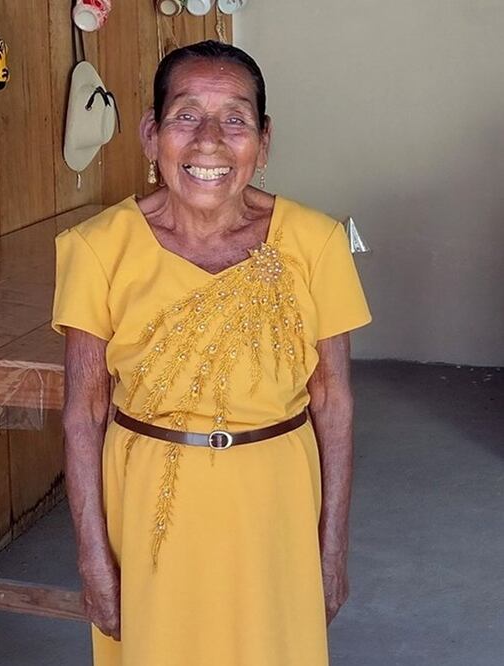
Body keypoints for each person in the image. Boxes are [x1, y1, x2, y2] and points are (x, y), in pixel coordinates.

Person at [52, 40, 370, 665]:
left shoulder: (316, 241)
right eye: (186, 115)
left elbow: (333, 403)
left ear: (264, 139)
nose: (209, 142)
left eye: (235, 119)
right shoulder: (95, 248)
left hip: (275, 498)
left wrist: (332, 546)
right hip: (148, 505)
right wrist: (92, 553)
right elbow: (84, 412)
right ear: (150, 134)